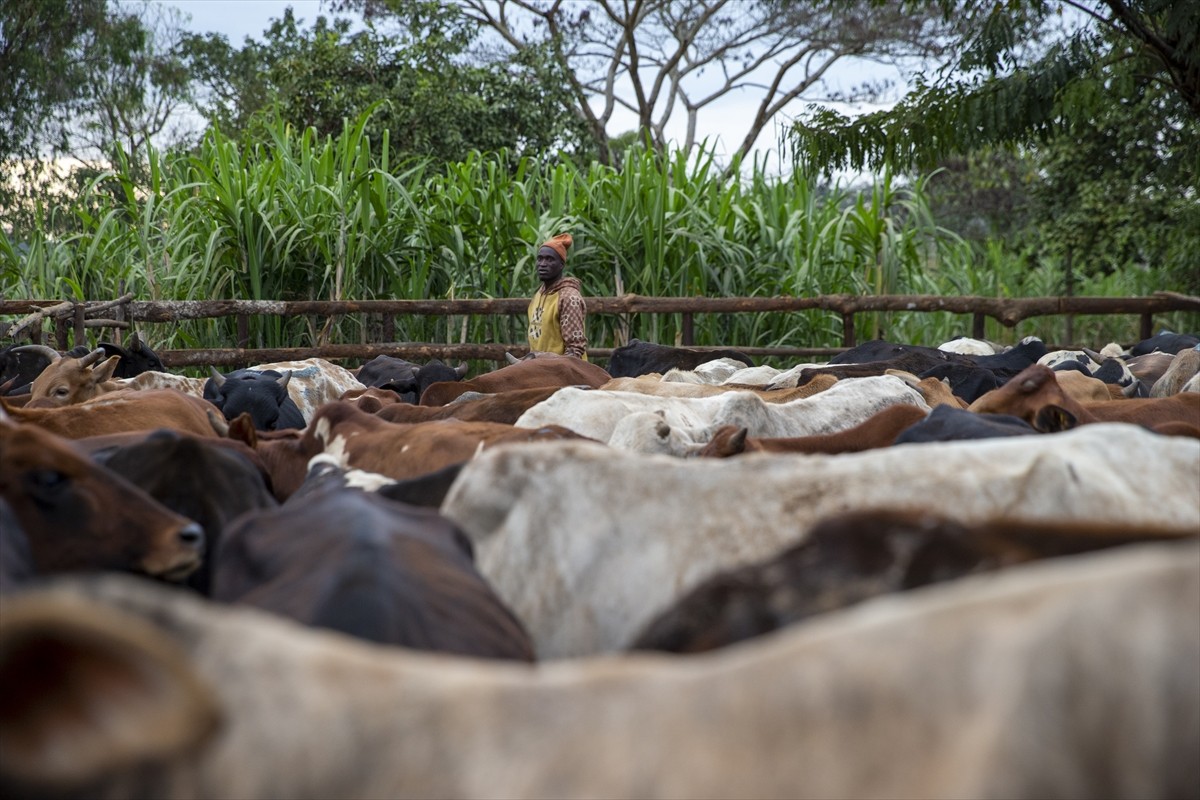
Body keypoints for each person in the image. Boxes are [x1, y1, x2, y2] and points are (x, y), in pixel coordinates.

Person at [527, 233, 588, 360]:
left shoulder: (569, 298)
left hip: (564, 373)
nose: (543, 264)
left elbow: (574, 350)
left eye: (549, 259)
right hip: (539, 370)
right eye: (540, 258)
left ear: (561, 264)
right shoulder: (538, 294)